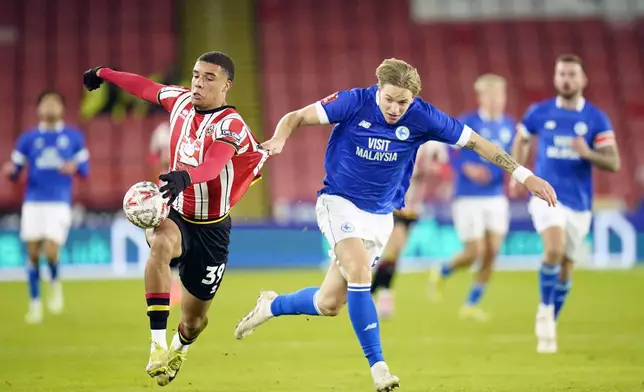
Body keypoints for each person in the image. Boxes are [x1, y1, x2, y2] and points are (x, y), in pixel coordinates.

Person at [233, 58, 557, 391]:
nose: (394, 108)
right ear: (378, 89)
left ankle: (270, 305)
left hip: (380, 216)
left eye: (403, 102)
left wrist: (525, 175)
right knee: (360, 273)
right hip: (338, 202)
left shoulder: (423, 116)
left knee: (329, 304)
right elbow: (296, 117)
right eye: (389, 99)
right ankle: (379, 369)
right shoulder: (354, 102)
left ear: (413, 98)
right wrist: (279, 139)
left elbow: (477, 143)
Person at [83, 51, 269, 385]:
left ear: (226, 85)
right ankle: (156, 346)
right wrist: (104, 72)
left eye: (209, 78)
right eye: (197, 75)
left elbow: (215, 163)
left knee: (194, 320)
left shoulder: (232, 125)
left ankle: (179, 347)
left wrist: (188, 176)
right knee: (161, 245)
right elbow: (144, 88)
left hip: (212, 230)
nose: (199, 82)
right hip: (176, 212)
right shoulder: (180, 101)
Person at [510, 54, 620, 353]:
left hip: (580, 203)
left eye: (572, 74)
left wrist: (588, 153)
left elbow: (614, 162)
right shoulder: (539, 112)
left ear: (583, 80)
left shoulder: (596, 118)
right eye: (561, 74)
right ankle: (545, 311)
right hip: (547, 194)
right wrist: (517, 172)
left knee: (567, 266)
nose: (566, 79)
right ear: (555, 78)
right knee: (554, 250)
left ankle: (550, 321)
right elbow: (522, 139)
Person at [427, 74, 515, 321]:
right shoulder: (468, 122)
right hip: (467, 196)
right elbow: (449, 150)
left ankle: (470, 304)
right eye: (493, 95)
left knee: (492, 251)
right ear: (482, 97)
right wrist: (466, 168)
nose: (498, 100)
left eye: (501, 95)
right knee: (475, 252)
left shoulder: (508, 125)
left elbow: (511, 156)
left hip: (495, 196)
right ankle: (443, 270)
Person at [2, 90, 90, 324]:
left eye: (54, 103)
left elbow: (85, 170)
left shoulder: (74, 137)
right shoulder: (27, 139)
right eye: (46, 103)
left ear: (62, 108)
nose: (50, 107)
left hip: (59, 201)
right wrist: (10, 172)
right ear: (39, 109)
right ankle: (35, 305)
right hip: (33, 201)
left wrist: (74, 167)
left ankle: (54, 282)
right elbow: (16, 170)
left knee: (51, 251)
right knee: (32, 253)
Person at [370, 140, 448, 320]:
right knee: (394, 250)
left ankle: (375, 294)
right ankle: (381, 295)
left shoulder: (434, 145)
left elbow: (442, 169)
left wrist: (437, 174)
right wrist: (422, 170)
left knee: (394, 255)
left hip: (413, 208)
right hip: (395, 203)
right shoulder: (403, 139)